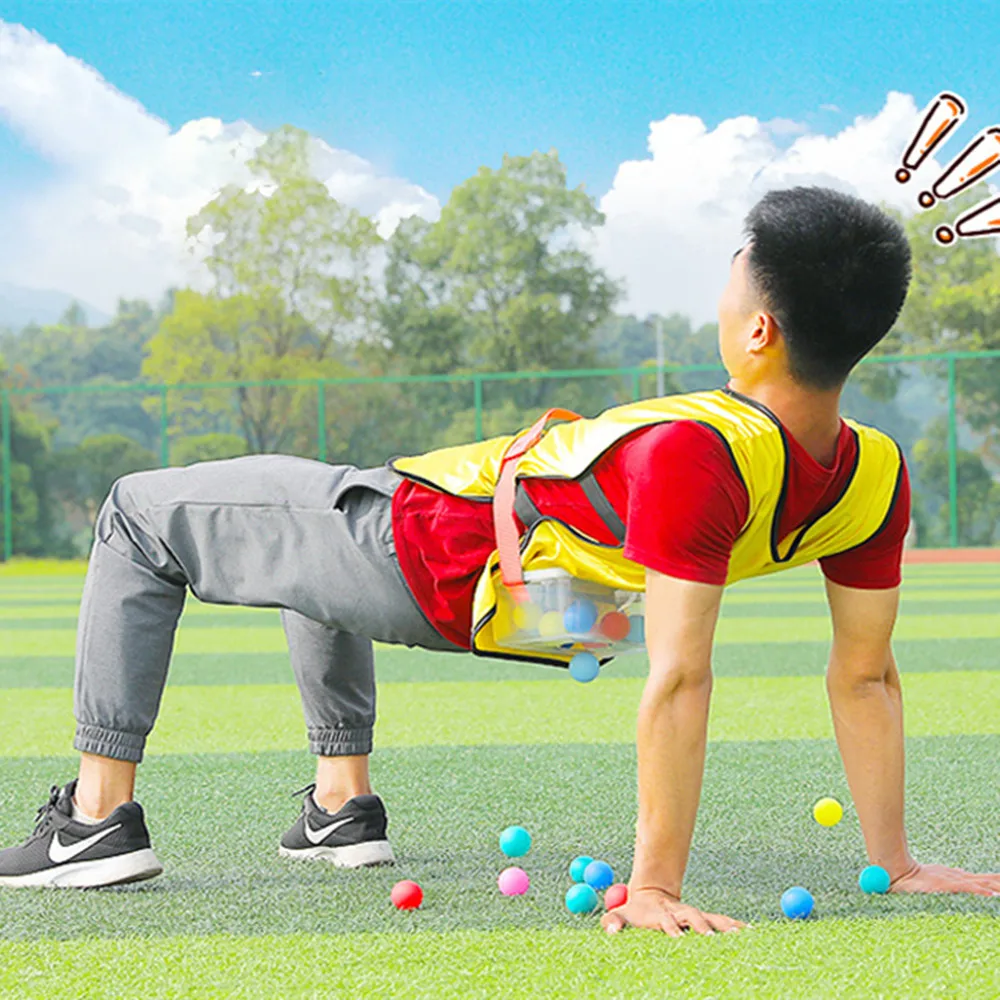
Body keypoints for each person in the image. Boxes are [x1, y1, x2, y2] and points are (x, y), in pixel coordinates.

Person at [2, 187, 996, 933]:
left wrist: (651, 884)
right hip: (572, 623)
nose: (726, 277)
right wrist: (894, 861)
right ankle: (341, 808)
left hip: (432, 557)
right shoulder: (873, 469)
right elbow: (865, 677)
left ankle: (97, 821)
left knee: (136, 511)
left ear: (757, 331)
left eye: (736, 266)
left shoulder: (697, 451)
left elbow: (685, 675)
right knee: (307, 525)